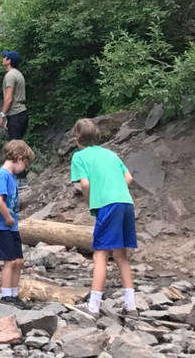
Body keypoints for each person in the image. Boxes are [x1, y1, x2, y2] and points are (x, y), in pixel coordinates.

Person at [69, 118, 139, 321]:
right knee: (121, 255)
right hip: (126, 203)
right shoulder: (111, 154)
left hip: (107, 206)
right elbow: (128, 178)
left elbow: (85, 184)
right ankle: (131, 305)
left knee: (100, 254)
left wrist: (91, 201)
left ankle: (93, 306)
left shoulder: (79, 156)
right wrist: (115, 191)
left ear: (77, 138)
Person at [0, 139, 35, 308]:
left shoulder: (11, 177)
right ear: (19, 158)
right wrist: (7, 218)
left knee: (18, 261)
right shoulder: (3, 175)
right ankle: (7, 296)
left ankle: (14, 294)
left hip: (11, 226)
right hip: (1, 224)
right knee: (9, 261)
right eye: (25, 163)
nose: (25, 168)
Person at [0, 50, 28, 142]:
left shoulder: (10, 76)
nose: (3, 59)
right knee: (18, 144)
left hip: (16, 115)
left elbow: (9, 98)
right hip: (20, 113)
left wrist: (2, 116)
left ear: (8, 61)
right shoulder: (18, 74)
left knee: (14, 146)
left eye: (4, 57)